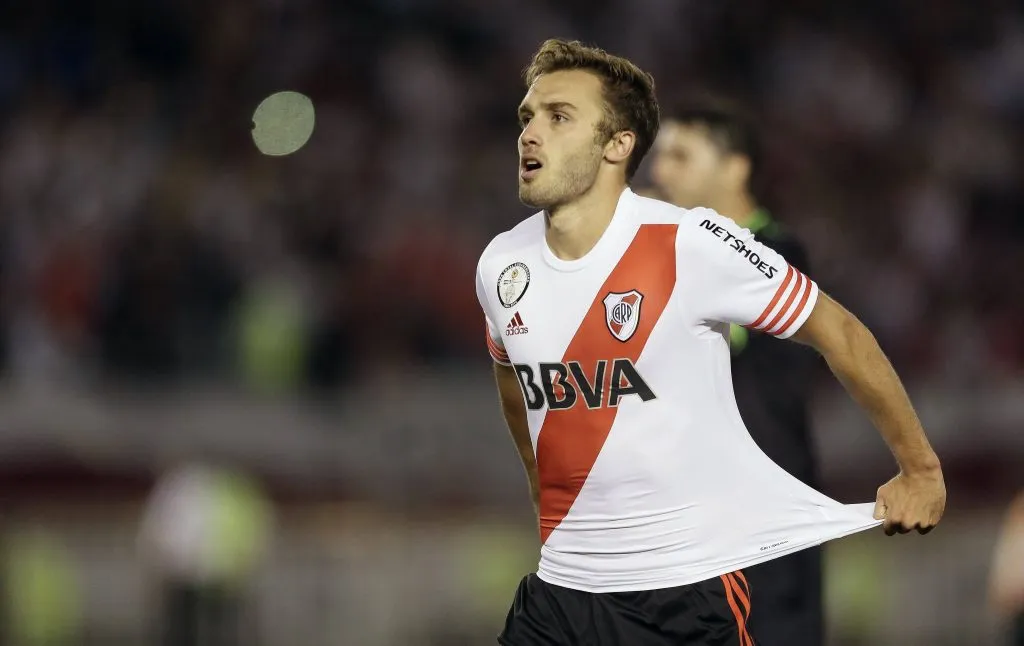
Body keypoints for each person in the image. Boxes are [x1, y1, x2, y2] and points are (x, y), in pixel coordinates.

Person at [474, 39, 946, 646]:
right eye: (527, 117)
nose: (530, 133)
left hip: (683, 598)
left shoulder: (690, 242)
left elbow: (842, 335)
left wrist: (921, 470)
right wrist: (546, 495)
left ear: (618, 145)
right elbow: (514, 380)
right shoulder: (501, 264)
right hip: (559, 596)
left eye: (558, 117)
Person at [650, 98, 824, 644]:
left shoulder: (776, 250)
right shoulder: (672, 253)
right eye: (661, 156)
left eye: (681, 155)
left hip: (763, 523)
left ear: (735, 167)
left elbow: (717, 328)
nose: (661, 171)